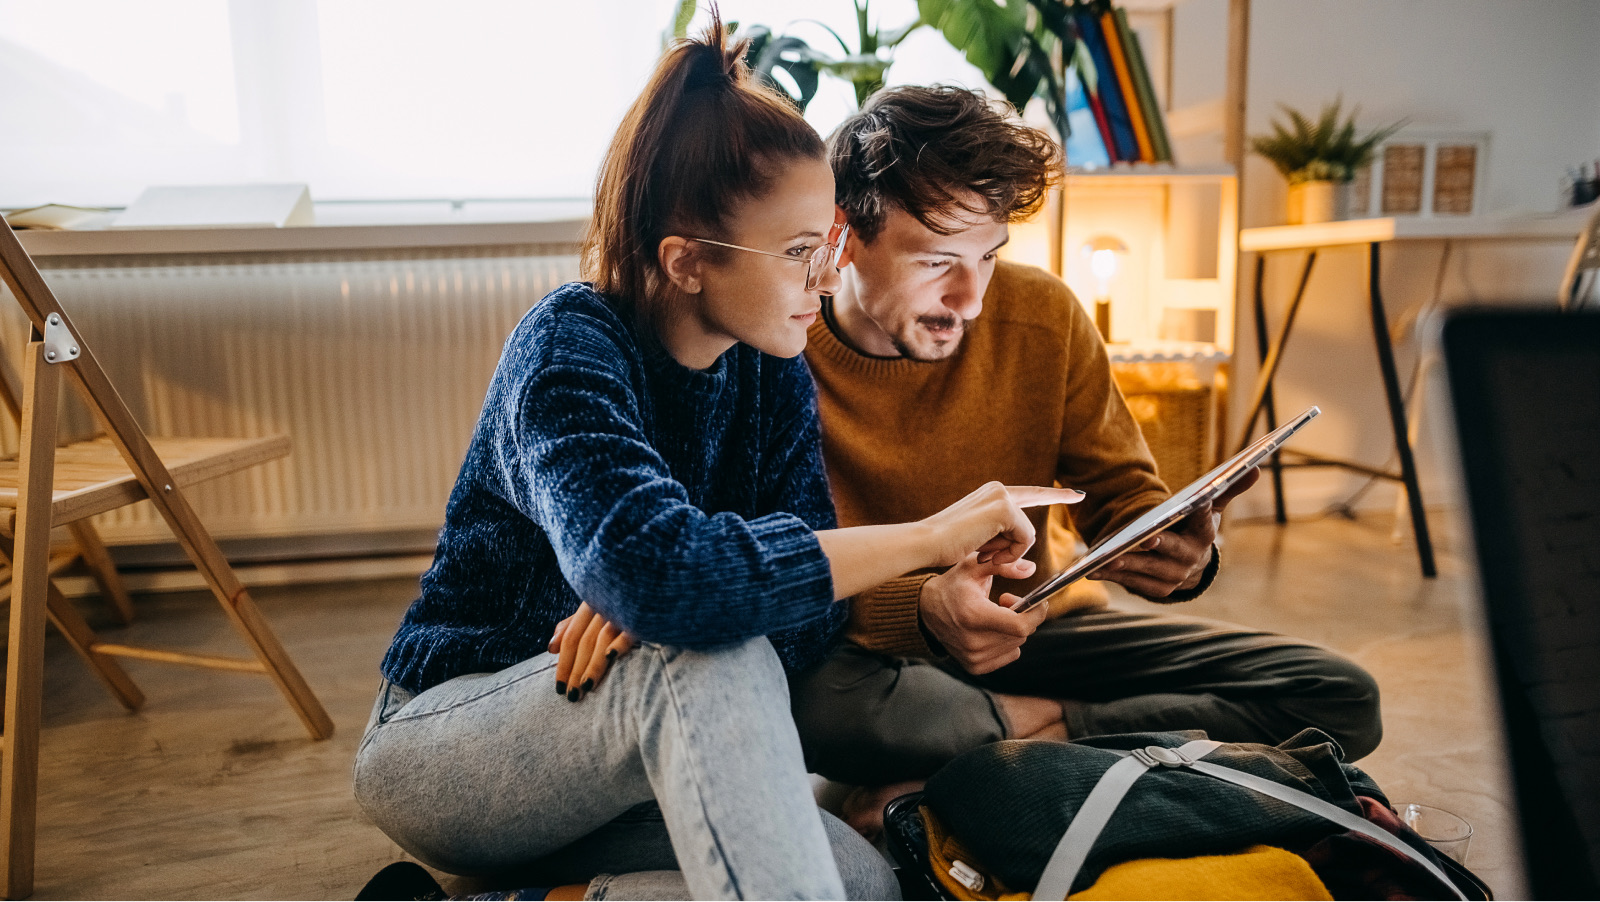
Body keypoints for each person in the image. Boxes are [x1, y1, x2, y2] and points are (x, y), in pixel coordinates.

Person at [352, 23, 1081, 902]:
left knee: (861, 880)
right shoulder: (568, 348)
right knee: (702, 653)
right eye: (797, 251)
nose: (825, 277)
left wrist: (677, 588)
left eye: (828, 244)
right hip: (451, 743)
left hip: (616, 749)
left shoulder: (771, 371)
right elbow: (667, 581)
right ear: (686, 261)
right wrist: (924, 540)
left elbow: (801, 631)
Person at [786, 85, 1385, 833]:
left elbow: (1121, 492)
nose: (969, 299)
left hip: (1039, 632)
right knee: (803, 700)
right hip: (873, 653)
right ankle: (1059, 753)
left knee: (1339, 694)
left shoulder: (1044, 315)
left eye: (989, 258)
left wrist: (1175, 550)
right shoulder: (780, 350)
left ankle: (1028, 739)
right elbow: (779, 575)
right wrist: (922, 609)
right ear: (842, 237)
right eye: (938, 261)